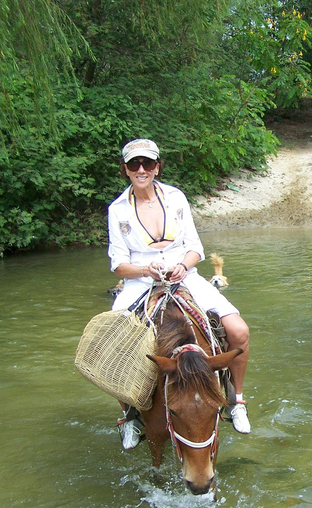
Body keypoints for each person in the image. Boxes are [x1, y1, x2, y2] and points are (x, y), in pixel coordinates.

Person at [108, 138, 252, 449]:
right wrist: (146, 271)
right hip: (140, 281)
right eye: (135, 164)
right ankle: (129, 415)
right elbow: (118, 265)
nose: (142, 169)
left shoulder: (175, 198)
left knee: (239, 331)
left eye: (148, 163)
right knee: (112, 342)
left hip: (184, 274)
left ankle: (237, 401)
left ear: (157, 167)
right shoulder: (117, 210)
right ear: (126, 170)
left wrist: (183, 267)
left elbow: (196, 248)